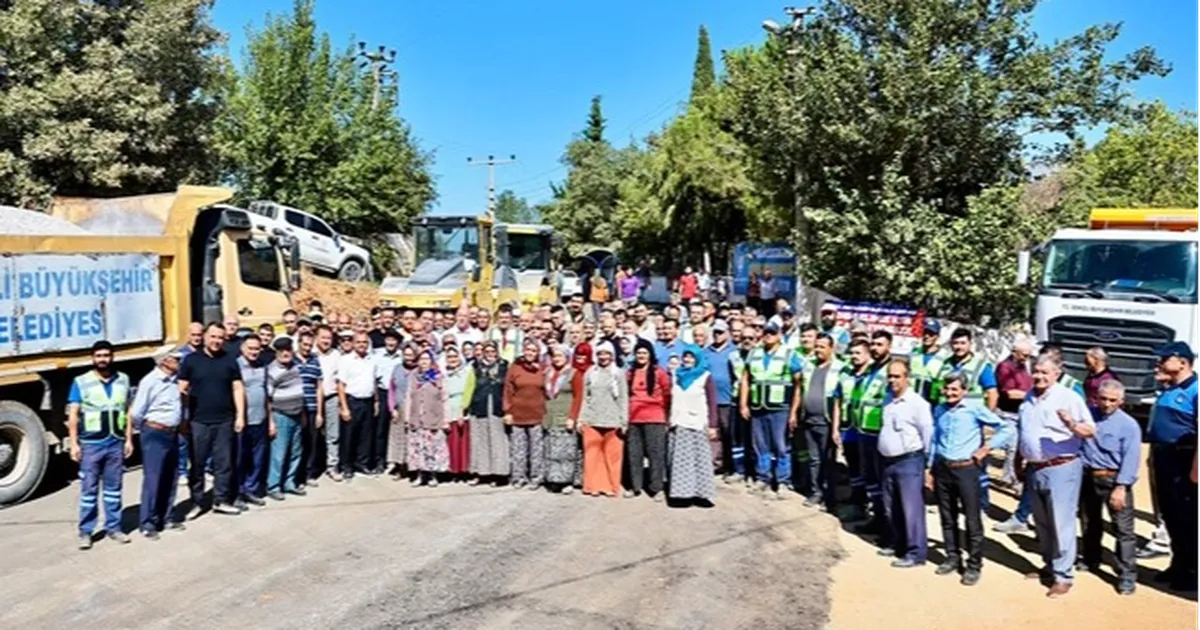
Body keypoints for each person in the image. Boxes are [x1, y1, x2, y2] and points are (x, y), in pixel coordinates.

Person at [1017, 355, 1094, 598]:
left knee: (1061, 523)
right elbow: (1024, 431)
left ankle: (1063, 576)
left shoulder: (1068, 398)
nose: (1039, 376)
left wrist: (1071, 423)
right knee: (1042, 522)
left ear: (1057, 373)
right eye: (1036, 371)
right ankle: (1050, 565)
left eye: (1045, 372)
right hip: (1035, 467)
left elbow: (1090, 430)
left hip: (1062, 468)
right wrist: (1019, 459)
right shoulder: (1028, 398)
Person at [928, 374, 1012, 585]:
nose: (950, 393)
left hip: (966, 469)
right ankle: (952, 557)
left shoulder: (974, 408)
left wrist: (986, 448)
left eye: (954, 389)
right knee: (947, 517)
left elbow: (1006, 428)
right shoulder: (939, 409)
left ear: (964, 391)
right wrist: (929, 467)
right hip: (943, 468)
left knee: (972, 519)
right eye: (947, 389)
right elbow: (934, 439)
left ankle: (974, 564)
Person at [68, 341, 134, 548]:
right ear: (93, 358)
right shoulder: (81, 381)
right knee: (89, 490)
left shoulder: (123, 379)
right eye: (98, 356)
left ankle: (114, 528)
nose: (102, 359)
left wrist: (129, 439)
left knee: (114, 489)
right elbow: (73, 414)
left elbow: (128, 411)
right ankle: (86, 532)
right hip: (91, 444)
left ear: (112, 357)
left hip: (116, 442)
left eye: (106, 355)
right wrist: (74, 444)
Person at [1145, 341, 1200, 591]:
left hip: (1184, 460)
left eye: (1165, 358)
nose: (1160, 362)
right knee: (1170, 514)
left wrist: (1196, 469)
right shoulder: (1168, 388)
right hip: (1164, 458)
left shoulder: (1196, 391)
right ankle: (1178, 564)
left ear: (1183, 362)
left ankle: (1193, 572)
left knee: (1189, 517)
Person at [1079, 379, 1140, 595]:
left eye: (1113, 400)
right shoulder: (1088, 416)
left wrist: (1121, 487)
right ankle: (1091, 558)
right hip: (1088, 477)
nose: (1107, 404)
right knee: (1089, 522)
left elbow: (1131, 458)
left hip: (1113, 479)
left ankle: (1127, 575)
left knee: (1123, 529)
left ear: (1121, 401)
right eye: (1103, 399)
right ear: (1096, 397)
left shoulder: (1128, 425)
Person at [179, 322, 245, 517]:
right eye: (213, 337)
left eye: (220, 338)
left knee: (223, 464)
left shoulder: (230, 360)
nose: (216, 341)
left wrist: (240, 415)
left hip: (225, 420)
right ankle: (197, 502)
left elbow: (237, 388)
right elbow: (182, 389)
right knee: (197, 465)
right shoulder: (191, 360)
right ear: (205, 337)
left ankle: (220, 500)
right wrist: (183, 419)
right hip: (198, 421)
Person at [740, 321, 804, 501]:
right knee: (760, 446)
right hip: (758, 407)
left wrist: (793, 412)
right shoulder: (754, 353)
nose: (768, 335)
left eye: (772, 333)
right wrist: (743, 404)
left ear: (779, 335)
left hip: (780, 409)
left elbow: (798, 385)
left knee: (781, 446)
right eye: (766, 332)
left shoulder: (789, 354)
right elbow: (745, 379)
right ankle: (763, 478)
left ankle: (783, 481)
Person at [878, 358, 932, 568]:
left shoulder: (917, 403)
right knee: (891, 506)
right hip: (887, 461)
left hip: (909, 460)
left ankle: (916, 552)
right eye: (890, 376)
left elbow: (927, 432)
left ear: (907, 378)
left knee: (911, 509)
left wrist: (927, 463)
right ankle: (898, 544)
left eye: (897, 376)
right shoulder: (887, 399)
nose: (892, 380)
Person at [130, 346, 185, 539]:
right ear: (164, 361)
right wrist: (148, 428)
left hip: (172, 433)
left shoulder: (174, 380)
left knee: (171, 476)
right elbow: (137, 412)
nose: (179, 362)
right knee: (154, 478)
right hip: (155, 432)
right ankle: (148, 522)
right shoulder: (150, 381)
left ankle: (166, 516)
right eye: (176, 359)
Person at [667, 345, 720, 505]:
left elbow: (712, 402)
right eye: (686, 356)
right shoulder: (676, 375)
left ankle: (701, 494)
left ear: (697, 359)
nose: (688, 360)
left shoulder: (705, 376)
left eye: (691, 357)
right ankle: (682, 495)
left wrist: (713, 425)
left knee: (699, 460)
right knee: (681, 462)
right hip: (679, 423)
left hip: (697, 423)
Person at [578, 341, 629, 497]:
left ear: (612, 355)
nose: (603, 357)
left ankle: (611, 486)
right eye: (600, 353)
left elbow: (623, 398)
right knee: (592, 455)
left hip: (613, 420)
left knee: (612, 456)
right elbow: (585, 397)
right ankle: (593, 486)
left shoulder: (618, 373)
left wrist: (624, 420)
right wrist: (581, 418)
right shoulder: (590, 373)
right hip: (592, 418)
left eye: (606, 353)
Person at [800, 334, 842, 510]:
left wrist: (836, 427)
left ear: (831, 349)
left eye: (822, 347)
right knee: (814, 459)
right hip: (809, 420)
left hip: (827, 422)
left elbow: (840, 399)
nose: (818, 350)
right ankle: (815, 492)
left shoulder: (840, 368)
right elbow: (799, 388)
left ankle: (829, 496)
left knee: (828, 461)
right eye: (816, 346)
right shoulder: (809, 366)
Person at [627, 339, 671, 500]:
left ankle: (657, 488)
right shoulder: (630, 373)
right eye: (638, 353)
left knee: (656, 454)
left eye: (644, 353)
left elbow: (667, 394)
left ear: (650, 354)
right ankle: (635, 486)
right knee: (634, 454)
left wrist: (666, 416)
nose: (641, 356)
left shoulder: (659, 372)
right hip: (634, 418)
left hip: (655, 418)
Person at [265, 337, 306, 500]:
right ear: (276, 352)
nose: (285, 353)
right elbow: (267, 399)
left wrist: (303, 414)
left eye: (288, 350)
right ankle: (273, 486)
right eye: (281, 351)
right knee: (279, 454)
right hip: (281, 416)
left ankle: (290, 482)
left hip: (297, 415)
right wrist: (270, 422)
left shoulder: (296, 366)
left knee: (295, 452)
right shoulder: (271, 371)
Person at [505, 339, 548, 490]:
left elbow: (548, 391)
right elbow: (508, 390)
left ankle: (536, 477)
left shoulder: (543, 369)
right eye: (528, 350)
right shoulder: (515, 367)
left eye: (533, 350)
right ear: (523, 351)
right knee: (518, 449)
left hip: (537, 413)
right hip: (518, 413)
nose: (530, 353)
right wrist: (508, 411)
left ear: (538, 353)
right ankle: (518, 477)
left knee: (536, 449)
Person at [335, 332, 378, 481]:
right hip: (352, 401)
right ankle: (346, 466)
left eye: (364, 342)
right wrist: (344, 407)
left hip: (368, 401)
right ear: (353, 343)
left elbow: (374, 381)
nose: (361, 345)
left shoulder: (372, 360)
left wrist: (376, 401)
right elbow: (341, 385)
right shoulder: (345, 360)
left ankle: (362, 463)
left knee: (365, 436)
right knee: (348, 436)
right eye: (358, 342)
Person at [466, 341, 510, 485]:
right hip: (480, 405)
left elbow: (509, 387)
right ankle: (482, 472)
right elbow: (470, 386)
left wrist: (508, 408)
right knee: (481, 440)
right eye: (487, 351)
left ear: (497, 352)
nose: (490, 354)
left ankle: (498, 474)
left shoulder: (504, 366)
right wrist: (464, 406)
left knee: (497, 440)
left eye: (493, 351)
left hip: (497, 407)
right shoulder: (476, 366)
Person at [403, 350, 449, 487]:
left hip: (433, 417)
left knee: (432, 448)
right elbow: (408, 397)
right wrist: (407, 417)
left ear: (432, 361)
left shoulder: (438, 377)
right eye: (421, 359)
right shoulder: (413, 377)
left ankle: (433, 475)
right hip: (416, 418)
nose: (424, 362)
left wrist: (446, 419)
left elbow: (445, 398)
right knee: (418, 448)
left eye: (427, 359)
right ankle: (419, 475)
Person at [994, 338, 1034, 489]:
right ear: (1014, 352)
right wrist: (1032, 395)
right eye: (1024, 355)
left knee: (1018, 447)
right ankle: (1013, 479)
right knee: (1012, 446)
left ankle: (1009, 476)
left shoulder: (1023, 367)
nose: (1026, 358)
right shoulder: (1005, 367)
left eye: (1028, 355)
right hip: (1007, 412)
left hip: (1021, 412)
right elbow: (1010, 393)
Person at [235, 336, 270, 508]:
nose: (254, 352)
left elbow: (266, 393)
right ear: (243, 348)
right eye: (251, 348)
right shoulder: (235, 366)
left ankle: (251, 489)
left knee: (257, 459)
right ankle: (237, 492)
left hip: (260, 419)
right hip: (242, 421)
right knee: (240, 459)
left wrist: (270, 420)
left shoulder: (262, 366)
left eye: (257, 349)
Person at [543, 344, 582, 494]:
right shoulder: (547, 372)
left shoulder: (574, 373)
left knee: (566, 452)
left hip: (565, 416)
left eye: (560, 356)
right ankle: (554, 479)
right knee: (551, 451)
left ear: (567, 357)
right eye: (554, 356)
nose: (557, 359)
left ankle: (567, 481)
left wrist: (573, 417)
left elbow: (578, 396)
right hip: (550, 416)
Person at [704, 320, 737, 478]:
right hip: (709, 400)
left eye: (721, 332)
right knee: (713, 433)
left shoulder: (734, 351)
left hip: (727, 399)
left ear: (727, 333)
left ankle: (730, 465)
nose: (717, 335)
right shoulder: (706, 352)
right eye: (715, 332)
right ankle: (715, 464)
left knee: (728, 433)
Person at [371, 330, 405, 475]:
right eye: (388, 340)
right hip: (383, 393)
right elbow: (373, 378)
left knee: (398, 428)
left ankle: (398, 462)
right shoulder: (377, 355)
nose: (391, 343)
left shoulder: (403, 356)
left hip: (399, 394)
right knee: (381, 429)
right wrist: (376, 399)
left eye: (394, 340)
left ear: (398, 343)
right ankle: (380, 460)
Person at [314, 326, 343, 482]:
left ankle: (332, 466)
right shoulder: (310, 353)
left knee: (333, 434)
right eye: (323, 337)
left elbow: (339, 380)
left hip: (332, 397)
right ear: (316, 338)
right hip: (313, 399)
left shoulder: (336, 355)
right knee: (313, 434)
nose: (326, 341)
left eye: (329, 338)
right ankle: (313, 467)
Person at [387, 344, 419, 479]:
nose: (408, 358)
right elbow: (391, 389)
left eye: (411, 355)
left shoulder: (421, 370)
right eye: (406, 355)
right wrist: (392, 408)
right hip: (399, 409)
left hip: (415, 409)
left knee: (413, 439)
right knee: (398, 439)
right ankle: (400, 467)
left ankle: (414, 469)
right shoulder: (397, 368)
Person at [442, 345, 472, 481]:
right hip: (449, 410)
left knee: (463, 442)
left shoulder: (467, 372)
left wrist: (462, 410)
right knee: (452, 442)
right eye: (449, 357)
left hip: (463, 410)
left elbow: (469, 392)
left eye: (455, 356)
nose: (452, 359)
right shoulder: (443, 375)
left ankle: (464, 471)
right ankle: (453, 471)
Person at [909, 320, 948, 402]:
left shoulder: (944, 356)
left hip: (931, 401)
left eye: (931, 334)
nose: (927, 336)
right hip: (912, 399)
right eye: (925, 333)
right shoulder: (914, 353)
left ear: (937, 336)